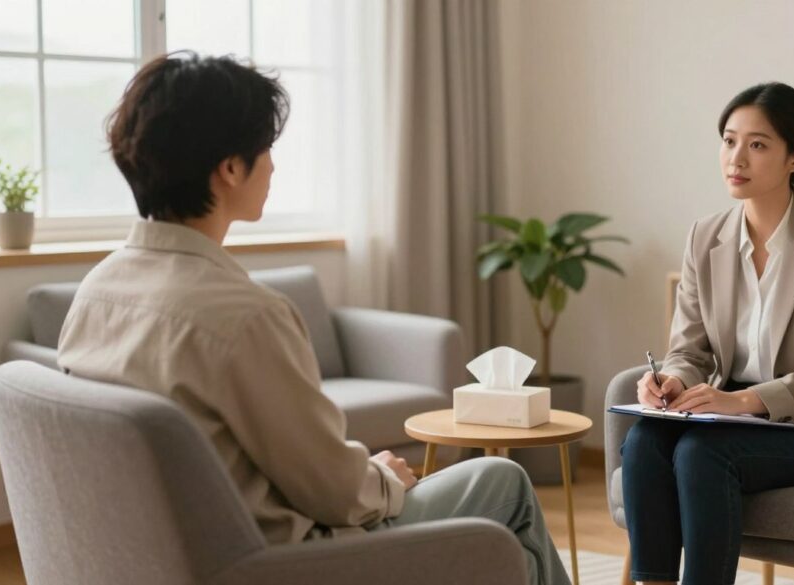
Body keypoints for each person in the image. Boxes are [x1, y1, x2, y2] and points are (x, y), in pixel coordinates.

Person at [56, 51, 570, 585]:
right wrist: (383, 479)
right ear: (231, 167)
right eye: (266, 148)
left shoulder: (96, 292)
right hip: (284, 561)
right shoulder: (244, 317)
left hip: (160, 556)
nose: (273, 165)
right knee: (504, 481)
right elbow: (334, 493)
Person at [621, 82, 794, 585]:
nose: (736, 157)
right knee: (646, 439)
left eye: (757, 145)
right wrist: (671, 380)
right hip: (728, 412)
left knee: (701, 452)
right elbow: (689, 348)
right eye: (729, 139)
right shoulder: (705, 235)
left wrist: (742, 403)